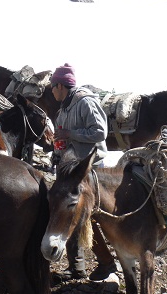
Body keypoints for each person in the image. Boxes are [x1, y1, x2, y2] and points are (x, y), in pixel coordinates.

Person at [50, 63, 117, 281]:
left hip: (91, 168)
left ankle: (107, 262)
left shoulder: (86, 103)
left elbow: (100, 133)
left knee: (90, 218)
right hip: (71, 169)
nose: (51, 91)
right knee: (69, 215)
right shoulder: (63, 110)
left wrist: (70, 133)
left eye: (53, 86)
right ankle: (77, 266)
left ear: (60, 85)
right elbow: (65, 137)